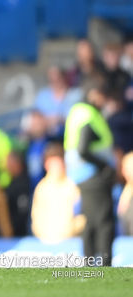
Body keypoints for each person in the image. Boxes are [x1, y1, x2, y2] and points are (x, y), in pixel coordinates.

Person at [64, 84, 115, 265]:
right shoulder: (88, 115)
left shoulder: (77, 112)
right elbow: (83, 149)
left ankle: (90, 261)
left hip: (82, 175)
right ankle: (104, 262)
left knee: (91, 221)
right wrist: (105, 167)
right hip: (93, 176)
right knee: (104, 221)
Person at [31, 142, 85, 243]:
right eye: (53, 164)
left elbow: (82, 215)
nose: (57, 167)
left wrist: (71, 230)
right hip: (46, 243)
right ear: (46, 165)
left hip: (72, 241)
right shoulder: (42, 188)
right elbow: (36, 217)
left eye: (59, 163)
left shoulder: (73, 186)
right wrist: (44, 234)